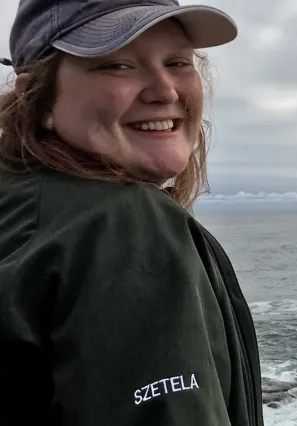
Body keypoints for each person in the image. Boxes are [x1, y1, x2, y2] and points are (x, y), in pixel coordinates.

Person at [0, 1, 264, 425]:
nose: (165, 90)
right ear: (39, 96)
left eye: (177, 62)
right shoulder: (121, 224)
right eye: (118, 65)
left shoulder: (19, 209)